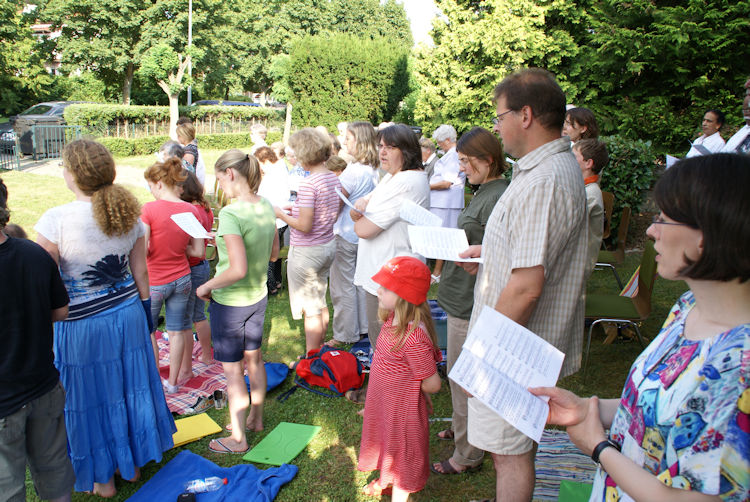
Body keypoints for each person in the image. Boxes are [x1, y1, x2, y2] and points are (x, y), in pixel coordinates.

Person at [531, 153, 750, 502]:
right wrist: (587, 408)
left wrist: (599, 448)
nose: (651, 230)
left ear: (706, 235)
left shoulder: (739, 368)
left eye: (664, 220)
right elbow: (654, 409)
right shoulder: (688, 308)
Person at [458, 68, 588, 502]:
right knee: (513, 449)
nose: (496, 126)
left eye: (500, 115)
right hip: (517, 343)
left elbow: (528, 286)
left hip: (513, 351)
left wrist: (481, 351)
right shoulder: (545, 170)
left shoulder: (545, 179)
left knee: (509, 453)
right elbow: (531, 255)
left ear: (526, 115)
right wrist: (491, 255)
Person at [34, 139, 176, 496]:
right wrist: (147, 320)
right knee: (128, 388)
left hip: (82, 327)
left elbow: (42, 285)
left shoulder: (55, 221)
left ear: (73, 175)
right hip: (128, 314)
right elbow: (140, 273)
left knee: (89, 398)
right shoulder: (129, 215)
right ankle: (132, 464)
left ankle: (103, 478)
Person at [430, 127, 509, 476]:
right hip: (459, 293)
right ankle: (465, 434)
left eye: (466, 162)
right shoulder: (485, 190)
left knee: (463, 380)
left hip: (469, 300)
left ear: (487, 159)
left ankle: (467, 454)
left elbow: (505, 253)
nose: (462, 169)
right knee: (458, 376)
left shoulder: (498, 196)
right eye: (459, 162)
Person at [196, 149, 279, 454]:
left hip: (230, 304)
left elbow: (237, 269)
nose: (220, 186)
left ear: (230, 174)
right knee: (254, 360)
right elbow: (273, 253)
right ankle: (256, 417)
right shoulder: (267, 205)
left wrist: (206, 286)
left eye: (219, 179)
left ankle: (239, 438)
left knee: (233, 373)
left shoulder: (231, 214)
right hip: (257, 297)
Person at [0, 178, 74, 502]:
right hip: (43, 385)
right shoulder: (34, 253)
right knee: (54, 470)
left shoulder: (33, 253)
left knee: (8, 486)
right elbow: (60, 311)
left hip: (12, 398)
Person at [358, 256, 442, 501]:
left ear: (404, 295)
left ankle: (398, 490)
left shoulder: (413, 337)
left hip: (403, 413)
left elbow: (433, 383)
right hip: (387, 405)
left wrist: (412, 387)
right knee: (387, 445)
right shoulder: (392, 318)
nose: (378, 290)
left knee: (402, 458)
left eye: (385, 287)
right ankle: (387, 478)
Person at [352, 124, 430, 348]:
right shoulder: (394, 177)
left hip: (392, 276)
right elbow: (359, 208)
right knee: (384, 340)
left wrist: (361, 215)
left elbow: (363, 229)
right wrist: (362, 210)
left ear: (406, 151)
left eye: (390, 147)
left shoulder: (407, 181)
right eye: (380, 146)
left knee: (389, 344)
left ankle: (391, 382)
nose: (382, 152)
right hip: (384, 271)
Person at [273, 128, 342, 354]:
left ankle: (311, 357)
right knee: (320, 298)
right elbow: (327, 208)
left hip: (307, 251)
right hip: (327, 245)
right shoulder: (332, 177)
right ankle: (319, 348)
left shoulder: (308, 184)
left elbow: (304, 225)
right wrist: (296, 208)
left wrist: (281, 214)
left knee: (310, 307)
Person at [142, 158, 204, 393]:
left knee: (150, 332)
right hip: (182, 278)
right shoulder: (191, 210)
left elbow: (145, 247)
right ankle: (173, 383)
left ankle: (154, 381)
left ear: (158, 183)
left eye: (150, 186)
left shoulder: (148, 209)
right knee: (177, 331)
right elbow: (198, 251)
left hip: (155, 280)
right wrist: (179, 248)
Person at [326, 121, 378, 347]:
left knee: (343, 287)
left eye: (348, 138)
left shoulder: (354, 171)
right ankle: (363, 327)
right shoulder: (375, 169)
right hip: (362, 235)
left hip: (347, 233)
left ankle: (345, 333)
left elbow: (335, 203)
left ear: (360, 141)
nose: (344, 142)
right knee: (358, 282)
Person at [179, 171, 214, 364]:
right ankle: (205, 355)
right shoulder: (204, 207)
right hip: (202, 265)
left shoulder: (189, 212)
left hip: (193, 267)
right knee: (198, 313)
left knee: (194, 316)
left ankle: (203, 357)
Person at [256, 146, 291, 295]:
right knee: (274, 255)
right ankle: (276, 281)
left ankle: (270, 286)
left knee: (268, 255)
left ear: (264, 161)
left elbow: (265, 198)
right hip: (279, 218)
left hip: (274, 218)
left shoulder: (272, 176)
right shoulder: (279, 171)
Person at [573, 138, 609, 275]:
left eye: (573, 156)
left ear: (588, 163)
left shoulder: (590, 193)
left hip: (578, 265)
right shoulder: (583, 187)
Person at [176, 117, 206, 185]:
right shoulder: (191, 148)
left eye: (179, 135)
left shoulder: (189, 152)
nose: (177, 137)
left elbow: (185, 173)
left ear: (184, 136)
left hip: (188, 187)